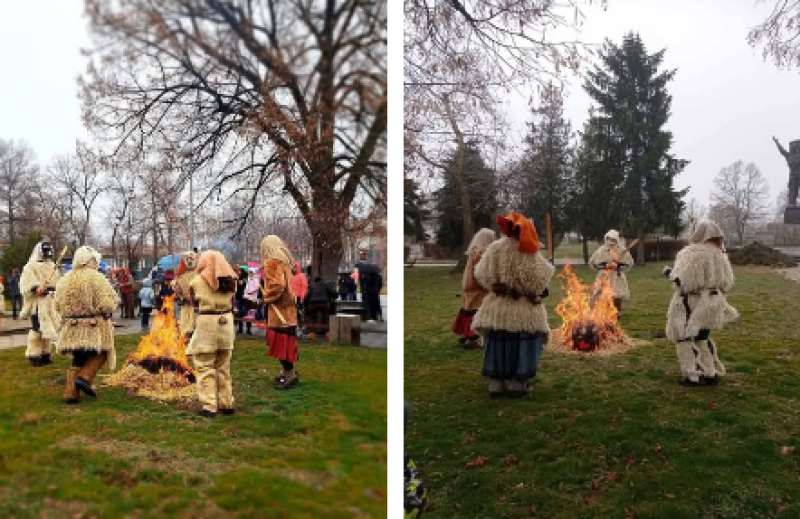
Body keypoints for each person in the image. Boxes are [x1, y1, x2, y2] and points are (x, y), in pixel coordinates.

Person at [473, 213, 555, 398]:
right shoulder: (529, 251)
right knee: (523, 345)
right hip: (522, 310)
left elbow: (480, 274)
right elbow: (538, 284)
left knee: (497, 344)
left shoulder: (494, 248)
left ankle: (496, 384)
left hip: (498, 308)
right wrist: (546, 272)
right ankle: (517, 384)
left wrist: (496, 286)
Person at [664, 219, 739, 387]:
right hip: (713, 302)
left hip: (691, 303)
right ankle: (710, 373)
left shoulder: (691, 253)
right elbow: (728, 282)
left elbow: (683, 282)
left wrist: (669, 273)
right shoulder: (720, 254)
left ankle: (692, 376)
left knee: (683, 338)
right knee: (702, 338)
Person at [54, 246, 119, 404]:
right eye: (95, 260)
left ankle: (70, 393)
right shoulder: (95, 277)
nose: (97, 263)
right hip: (92, 327)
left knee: (78, 357)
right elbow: (107, 302)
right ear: (90, 260)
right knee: (102, 353)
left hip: (71, 326)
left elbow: (56, 305)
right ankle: (85, 378)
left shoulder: (65, 279)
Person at [186, 250, 238, 418]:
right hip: (226, 323)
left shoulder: (196, 281)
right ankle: (226, 402)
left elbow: (194, 304)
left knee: (204, 365)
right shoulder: (231, 282)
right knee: (223, 366)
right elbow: (233, 303)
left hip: (207, 324)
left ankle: (209, 405)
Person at [260, 235, 300, 390]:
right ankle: (288, 372)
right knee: (286, 345)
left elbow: (277, 285)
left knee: (281, 345)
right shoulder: (284, 263)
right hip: (288, 310)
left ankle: (290, 375)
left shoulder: (272, 262)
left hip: (279, 312)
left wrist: (267, 296)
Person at [20, 239, 61, 367]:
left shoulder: (51, 266)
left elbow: (57, 282)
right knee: (37, 328)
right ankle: (33, 355)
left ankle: (45, 353)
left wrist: (53, 288)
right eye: (46, 250)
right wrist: (36, 288)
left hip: (50, 302)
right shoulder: (30, 266)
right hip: (38, 303)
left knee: (48, 329)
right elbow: (25, 284)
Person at [452, 228, 495, 349]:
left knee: (469, 311)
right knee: (477, 313)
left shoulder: (473, 252)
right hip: (478, 288)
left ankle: (467, 336)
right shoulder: (481, 254)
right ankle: (471, 339)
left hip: (470, 287)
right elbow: (480, 273)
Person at [588, 230, 634, 317]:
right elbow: (592, 263)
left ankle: (617, 312)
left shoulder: (622, 250)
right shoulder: (601, 250)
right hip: (604, 276)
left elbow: (629, 263)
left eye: (613, 239)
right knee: (602, 295)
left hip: (617, 276)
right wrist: (605, 266)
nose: (611, 242)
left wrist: (618, 266)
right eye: (609, 239)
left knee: (617, 295)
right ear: (606, 238)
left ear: (617, 240)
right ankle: (604, 313)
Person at [173, 251, 199, 338]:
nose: (189, 261)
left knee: (196, 323)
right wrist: (177, 289)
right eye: (187, 259)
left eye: (191, 259)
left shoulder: (200, 273)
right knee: (185, 323)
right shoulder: (181, 275)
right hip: (186, 305)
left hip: (197, 305)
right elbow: (177, 290)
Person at [234, 266, 250, 334]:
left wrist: (244, 282)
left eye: (239, 271)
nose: (238, 272)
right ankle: (240, 329)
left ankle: (248, 329)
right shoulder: (235, 278)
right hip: (238, 297)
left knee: (247, 313)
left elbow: (249, 285)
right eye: (237, 271)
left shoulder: (246, 278)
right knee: (239, 313)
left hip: (246, 297)